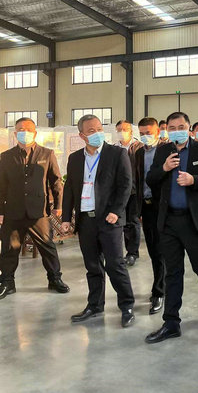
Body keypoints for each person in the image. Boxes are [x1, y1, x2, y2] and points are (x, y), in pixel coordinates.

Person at [145, 112, 198, 344]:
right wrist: (164, 168)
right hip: (169, 220)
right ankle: (171, 323)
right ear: (166, 130)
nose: (176, 130)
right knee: (173, 272)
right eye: (172, 127)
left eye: (181, 127)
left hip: (194, 220)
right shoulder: (163, 151)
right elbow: (151, 179)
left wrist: (194, 180)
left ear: (189, 129)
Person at [62, 115, 135, 328]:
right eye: (91, 131)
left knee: (115, 264)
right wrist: (66, 218)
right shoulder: (75, 158)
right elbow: (69, 189)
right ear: (82, 135)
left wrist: (116, 211)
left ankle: (127, 306)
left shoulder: (117, 154)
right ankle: (95, 305)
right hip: (86, 219)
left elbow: (126, 185)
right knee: (92, 265)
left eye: (99, 129)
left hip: (109, 219)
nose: (97, 133)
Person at [0, 118, 70, 299]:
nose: (24, 132)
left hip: (39, 212)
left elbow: (56, 181)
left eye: (28, 129)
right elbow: (1, 186)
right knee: (9, 248)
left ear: (35, 133)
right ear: (15, 133)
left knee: (47, 246)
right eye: (20, 129)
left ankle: (55, 279)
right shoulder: (6, 156)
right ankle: (7, 282)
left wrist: (59, 205)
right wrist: (1, 211)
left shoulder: (47, 153)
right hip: (13, 211)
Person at [135, 117, 165, 315]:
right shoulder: (138, 153)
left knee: (162, 250)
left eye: (149, 133)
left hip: (162, 207)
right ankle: (159, 286)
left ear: (157, 132)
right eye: (142, 133)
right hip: (145, 207)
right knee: (153, 249)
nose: (145, 136)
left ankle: (159, 291)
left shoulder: (166, 151)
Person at [115, 120, 143, 267]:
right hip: (119, 192)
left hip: (134, 191)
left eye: (125, 129)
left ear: (131, 131)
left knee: (133, 222)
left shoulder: (139, 147)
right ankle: (120, 252)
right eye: (119, 129)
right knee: (122, 223)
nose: (122, 132)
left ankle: (132, 253)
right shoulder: (114, 149)